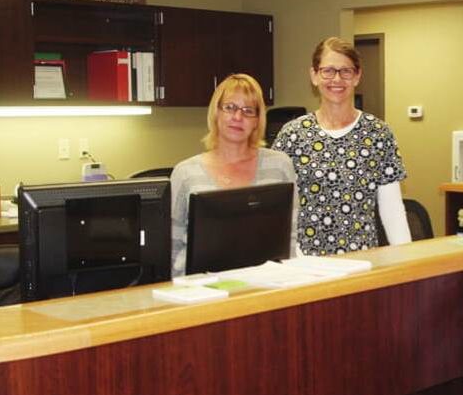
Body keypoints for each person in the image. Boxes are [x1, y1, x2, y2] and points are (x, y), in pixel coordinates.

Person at [272, 36, 411, 255]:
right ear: (314, 75)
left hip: (362, 262)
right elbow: (278, 209)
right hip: (306, 265)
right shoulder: (292, 135)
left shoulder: (378, 134)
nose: (336, 79)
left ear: (357, 76)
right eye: (328, 71)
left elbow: (392, 211)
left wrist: (407, 264)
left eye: (346, 71)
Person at [170, 73, 298, 277]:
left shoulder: (279, 165)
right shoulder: (185, 173)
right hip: (204, 290)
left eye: (248, 111)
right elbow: (173, 245)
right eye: (230, 107)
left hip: (266, 285)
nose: (238, 117)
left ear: (257, 120)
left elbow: (290, 237)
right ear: (216, 113)